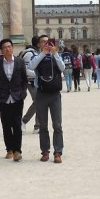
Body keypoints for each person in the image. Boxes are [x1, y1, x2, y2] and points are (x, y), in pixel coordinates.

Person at [28, 35, 65, 163]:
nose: (46, 44)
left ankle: (58, 152)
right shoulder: (37, 56)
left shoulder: (56, 55)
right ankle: (45, 151)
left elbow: (62, 68)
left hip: (55, 94)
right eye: (43, 42)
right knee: (43, 125)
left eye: (48, 41)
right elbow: (31, 66)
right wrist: (43, 53)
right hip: (42, 93)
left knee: (57, 125)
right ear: (39, 45)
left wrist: (55, 53)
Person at [0, 38, 28, 161]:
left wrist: (23, 93)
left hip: (17, 97)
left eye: (9, 46)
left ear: (12, 48)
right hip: (3, 98)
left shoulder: (20, 62)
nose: (7, 49)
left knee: (17, 124)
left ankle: (17, 150)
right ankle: (9, 149)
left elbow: (24, 79)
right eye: (5, 47)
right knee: (6, 125)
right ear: (1, 50)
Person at [21, 37, 40, 131]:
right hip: (31, 81)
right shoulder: (29, 54)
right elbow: (26, 69)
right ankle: (24, 121)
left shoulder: (35, 53)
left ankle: (37, 126)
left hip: (35, 81)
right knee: (38, 101)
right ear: (38, 44)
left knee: (40, 102)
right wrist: (39, 75)